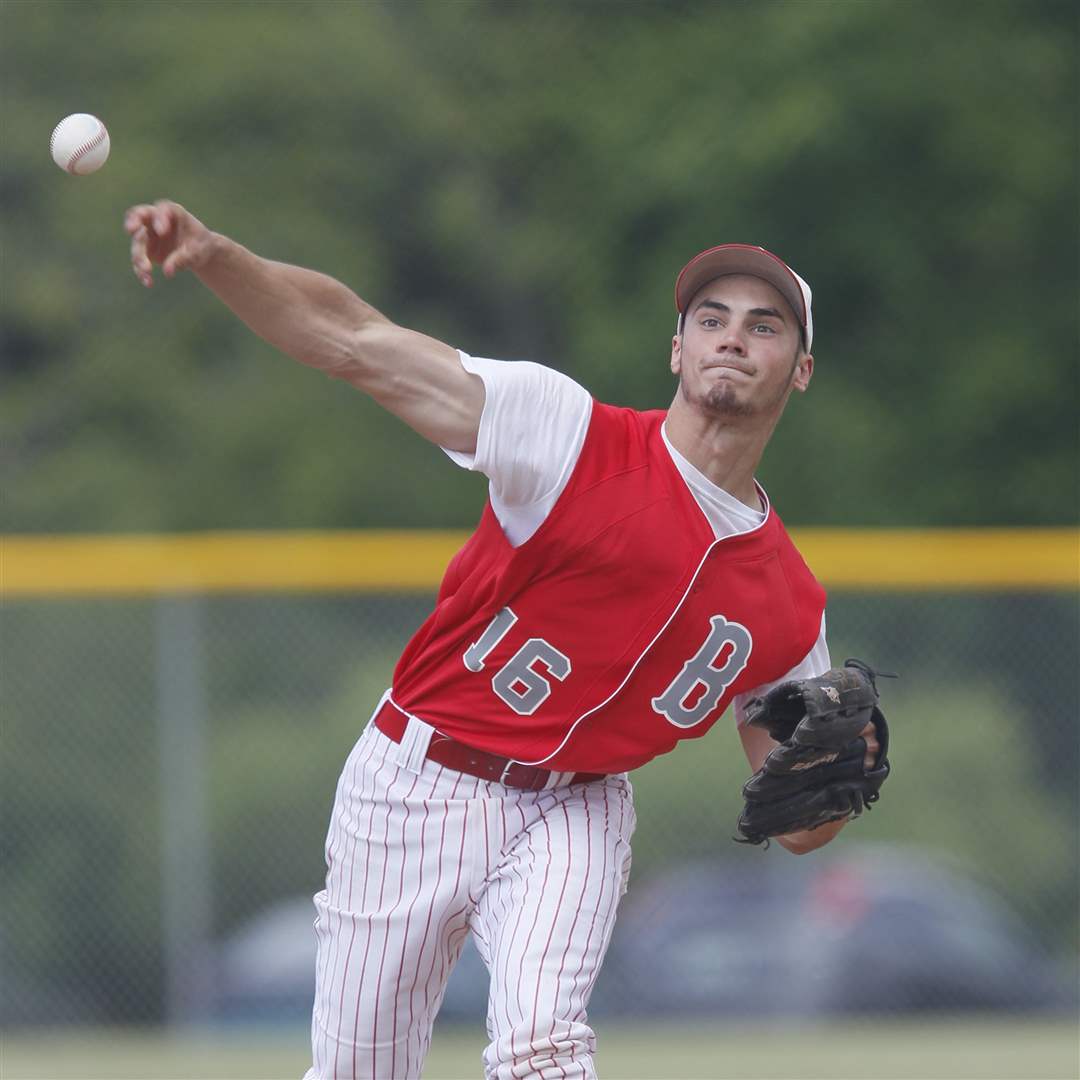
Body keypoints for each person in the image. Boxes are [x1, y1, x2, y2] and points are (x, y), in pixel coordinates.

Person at [125, 202, 879, 1080]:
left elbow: (800, 824)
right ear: (677, 350)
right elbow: (355, 340)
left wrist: (836, 790)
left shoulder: (789, 604)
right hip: (416, 783)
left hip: (576, 808)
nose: (732, 339)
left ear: (802, 369)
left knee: (544, 1052)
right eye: (709, 320)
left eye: (764, 326)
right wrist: (219, 256)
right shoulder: (564, 434)